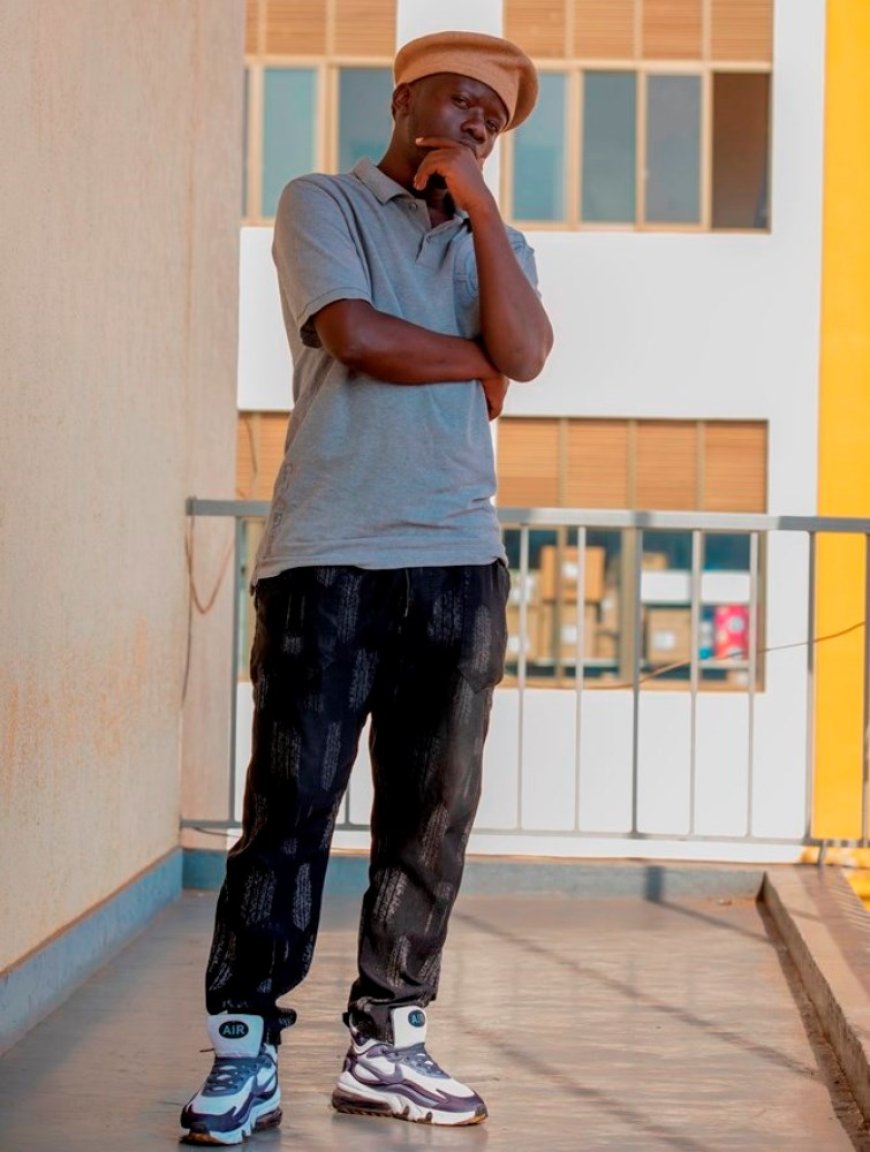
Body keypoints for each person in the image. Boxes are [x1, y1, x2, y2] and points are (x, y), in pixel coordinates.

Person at [180, 29, 553, 1144]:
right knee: (289, 811)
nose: (479, 120)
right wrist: (475, 362)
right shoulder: (323, 204)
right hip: (330, 556)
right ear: (404, 100)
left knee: (430, 820)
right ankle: (244, 1047)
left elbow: (528, 353)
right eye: (462, 98)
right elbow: (353, 334)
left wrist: (480, 213)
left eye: (496, 116)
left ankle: (388, 1041)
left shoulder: (500, 242)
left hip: (459, 560)